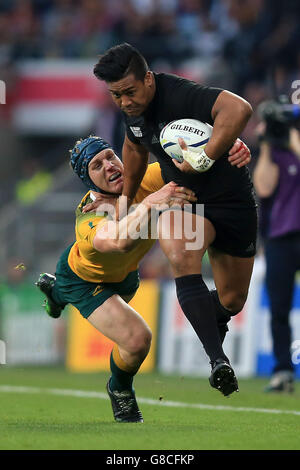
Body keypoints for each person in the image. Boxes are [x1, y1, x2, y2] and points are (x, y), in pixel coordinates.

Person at [92, 42, 257, 397]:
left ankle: (210, 318)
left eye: (130, 92)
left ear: (149, 79)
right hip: (187, 200)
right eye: (116, 96)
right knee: (180, 252)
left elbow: (239, 108)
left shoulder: (181, 94)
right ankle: (218, 362)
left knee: (232, 300)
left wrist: (207, 155)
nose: (124, 102)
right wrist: (125, 198)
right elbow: (134, 148)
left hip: (233, 202)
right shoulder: (131, 108)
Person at [36, 135, 195, 423]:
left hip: (125, 277)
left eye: (111, 156)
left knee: (131, 337)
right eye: (97, 165)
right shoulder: (89, 217)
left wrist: (223, 148)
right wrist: (151, 204)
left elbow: (186, 165)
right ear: (89, 180)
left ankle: (55, 294)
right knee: (137, 340)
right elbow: (120, 242)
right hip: (85, 281)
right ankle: (119, 389)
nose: (109, 166)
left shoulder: (142, 178)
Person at [253, 125, 300, 392]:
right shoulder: (277, 154)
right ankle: (283, 371)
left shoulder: (294, 149)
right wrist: (268, 145)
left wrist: (295, 144)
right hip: (280, 238)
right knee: (278, 308)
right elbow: (264, 186)